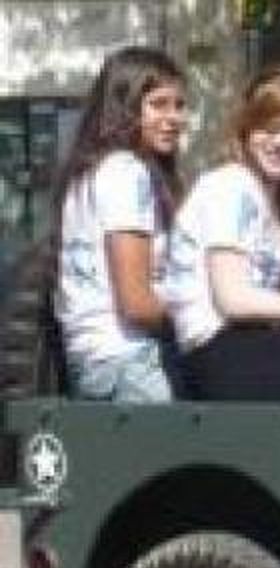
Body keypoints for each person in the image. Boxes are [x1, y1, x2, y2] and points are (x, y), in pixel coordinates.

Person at [163, 65, 280, 401]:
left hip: (257, 341)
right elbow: (232, 300)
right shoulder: (231, 186)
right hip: (218, 348)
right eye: (267, 129)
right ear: (245, 132)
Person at [52, 46, 187, 402]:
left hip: (93, 361)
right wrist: (198, 311)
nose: (174, 118)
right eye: (158, 104)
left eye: (179, 105)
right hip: (131, 363)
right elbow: (137, 304)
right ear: (124, 107)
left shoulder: (88, 171)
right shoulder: (126, 173)